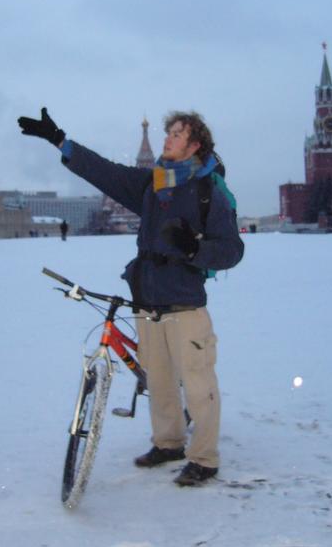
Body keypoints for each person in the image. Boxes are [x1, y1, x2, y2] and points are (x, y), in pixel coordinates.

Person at [18, 107, 244, 486]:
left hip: (185, 304)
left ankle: (204, 458)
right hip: (147, 301)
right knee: (159, 380)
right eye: (168, 132)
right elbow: (106, 172)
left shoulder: (209, 191)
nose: (167, 138)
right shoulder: (153, 184)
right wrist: (60, 140)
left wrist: (194, 249)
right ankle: (168, 443)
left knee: (198, 384)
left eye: (177, 134)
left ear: (195, 146)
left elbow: (232, 250)